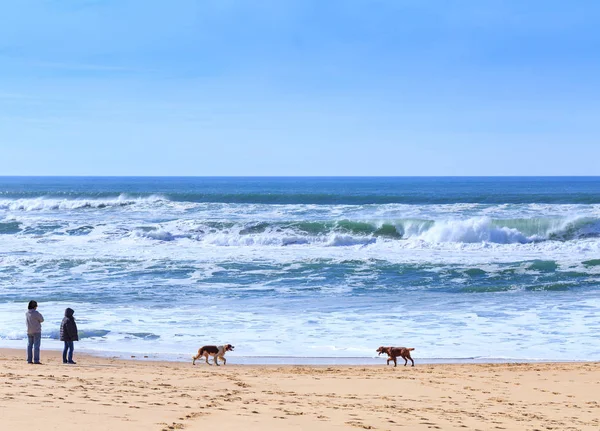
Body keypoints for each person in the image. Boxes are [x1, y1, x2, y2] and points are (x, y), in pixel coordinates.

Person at [25, 300, 44, 364]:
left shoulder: (27, 313)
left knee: (29, 346)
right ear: (34, 306)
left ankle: (29, 360)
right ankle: (36, 360)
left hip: (29, 331)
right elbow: (42, 319)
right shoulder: (36, 313)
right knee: (36, 346)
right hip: (36, 331)